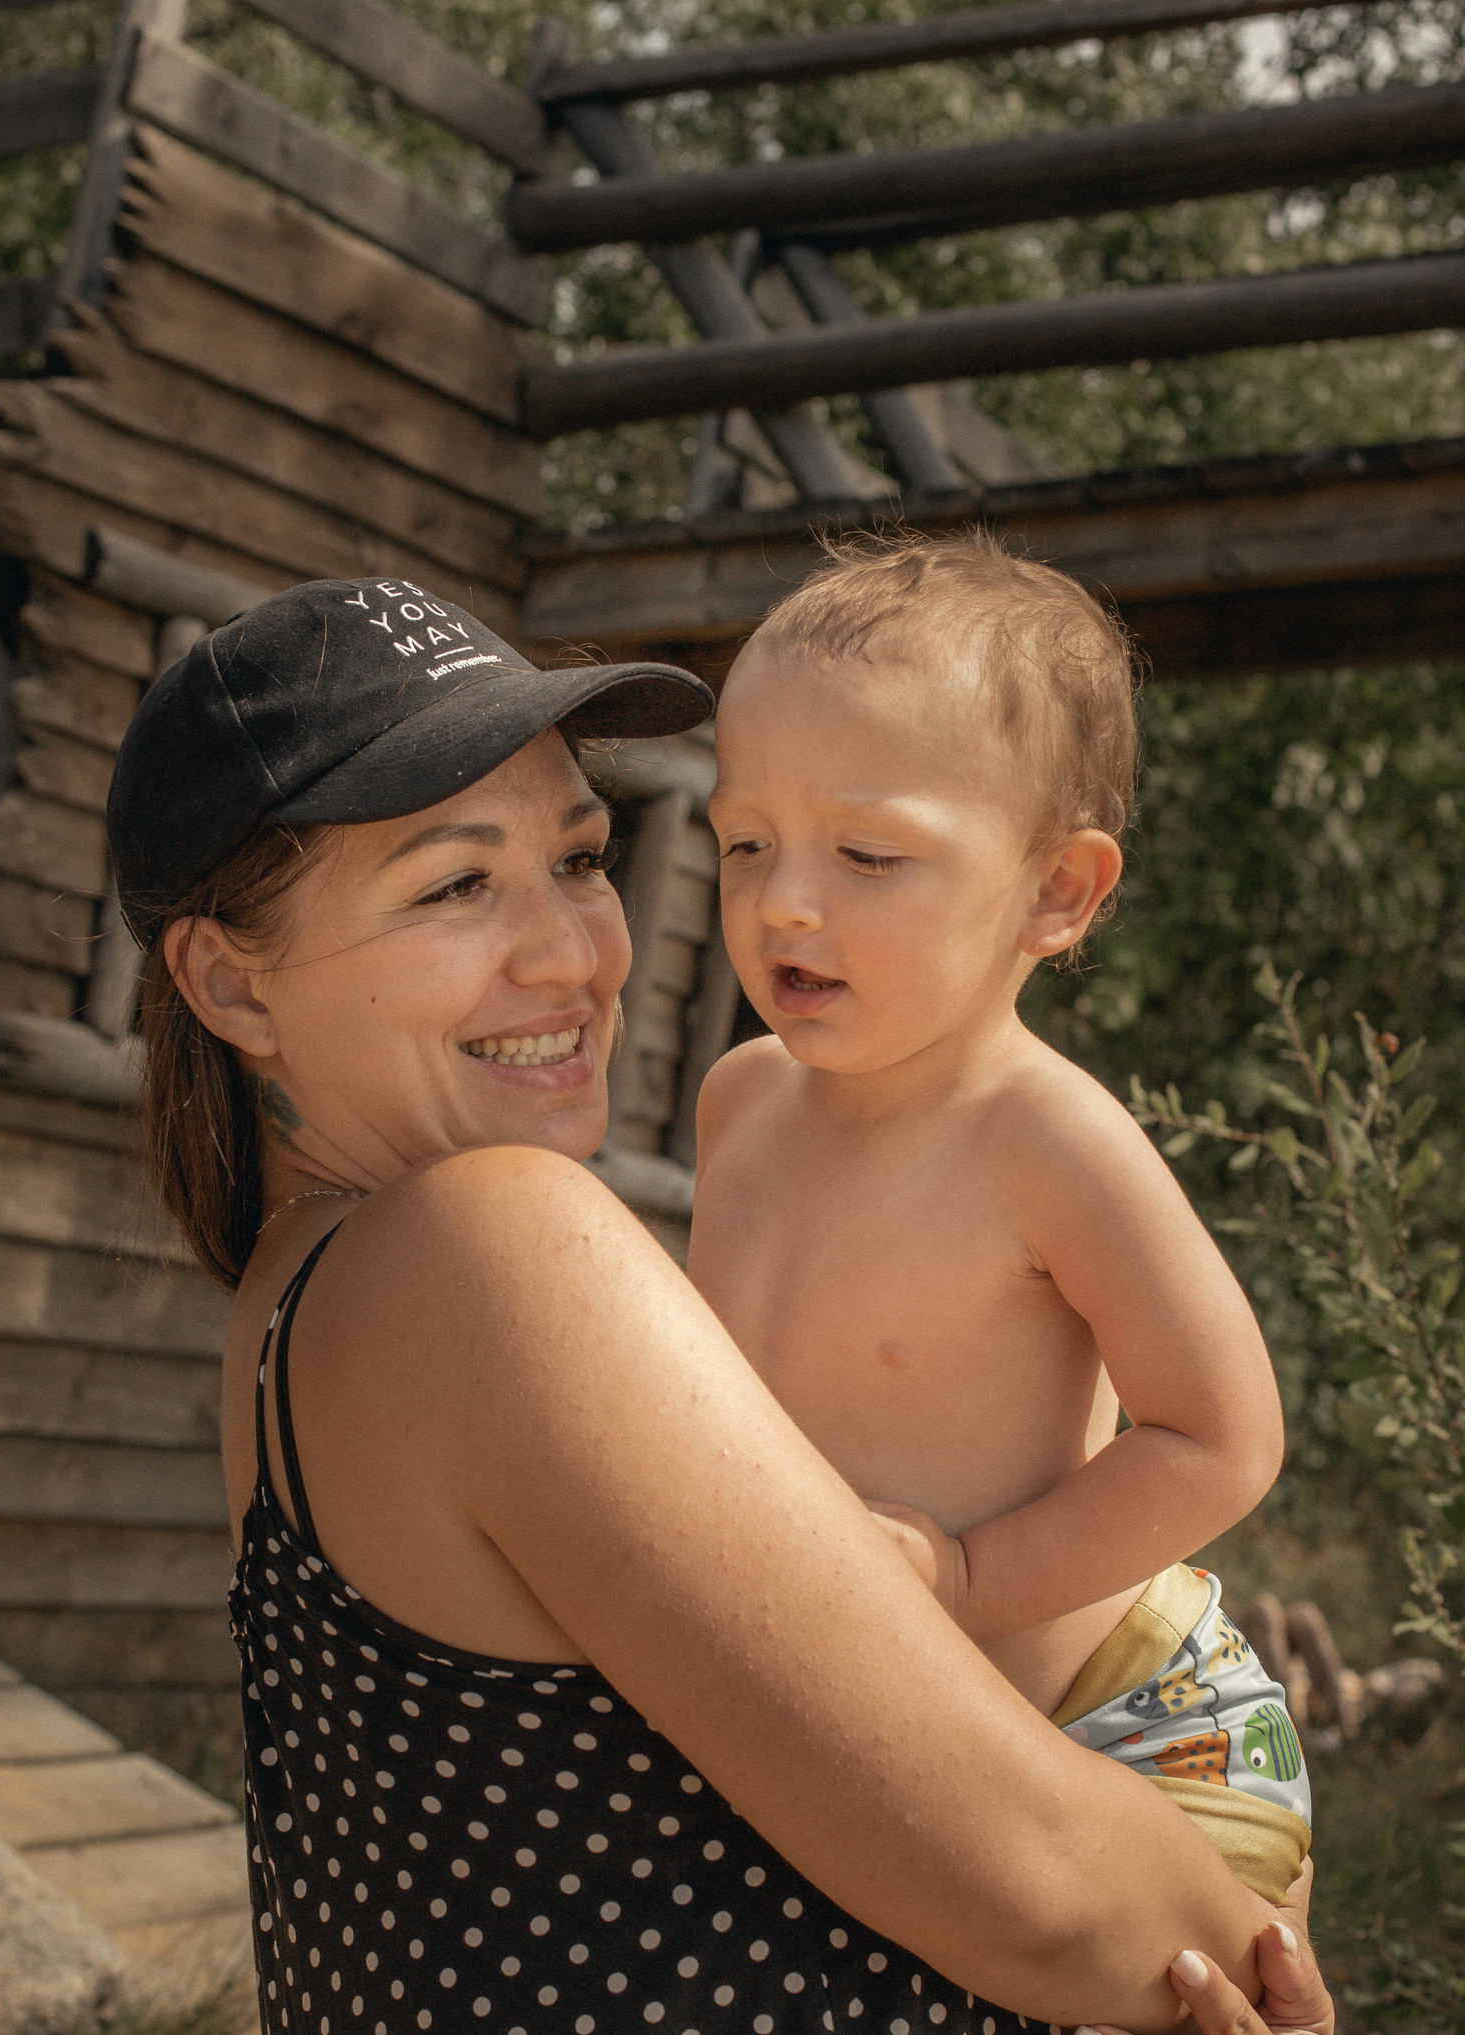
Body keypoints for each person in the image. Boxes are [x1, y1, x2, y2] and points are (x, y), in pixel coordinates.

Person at [102, 576, 1333, 2035]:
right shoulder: (489, 1248)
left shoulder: (295, 1316)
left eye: (582, 858)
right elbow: (1059, 1897)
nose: (576, 951)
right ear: (233, 991)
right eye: (455, 884)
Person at [687, 533, 1310, 1908]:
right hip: (898, 1749)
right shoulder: (738, 1107)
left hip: (1139, 1737)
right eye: (744, 840)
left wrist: (967, 1578)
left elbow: (1223, 1437)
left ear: (1055, 892)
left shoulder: (1049, 1142)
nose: (784, 898)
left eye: (866, 851)